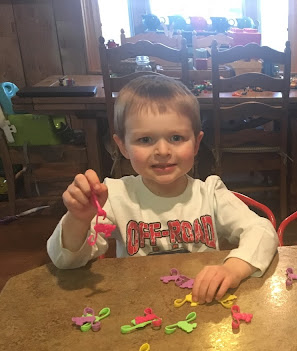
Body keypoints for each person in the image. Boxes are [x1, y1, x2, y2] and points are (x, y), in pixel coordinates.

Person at [47, 75, 278, 302]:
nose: (163, 151)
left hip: (201, 304)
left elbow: (262, 231)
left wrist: (233, 268)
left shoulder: (211, 193)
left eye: (176, 137)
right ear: (123, 146)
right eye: (145, 140)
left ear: (196, 143)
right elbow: (66, 261)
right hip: (138, 307)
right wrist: (78, 219)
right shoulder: (115, 196)